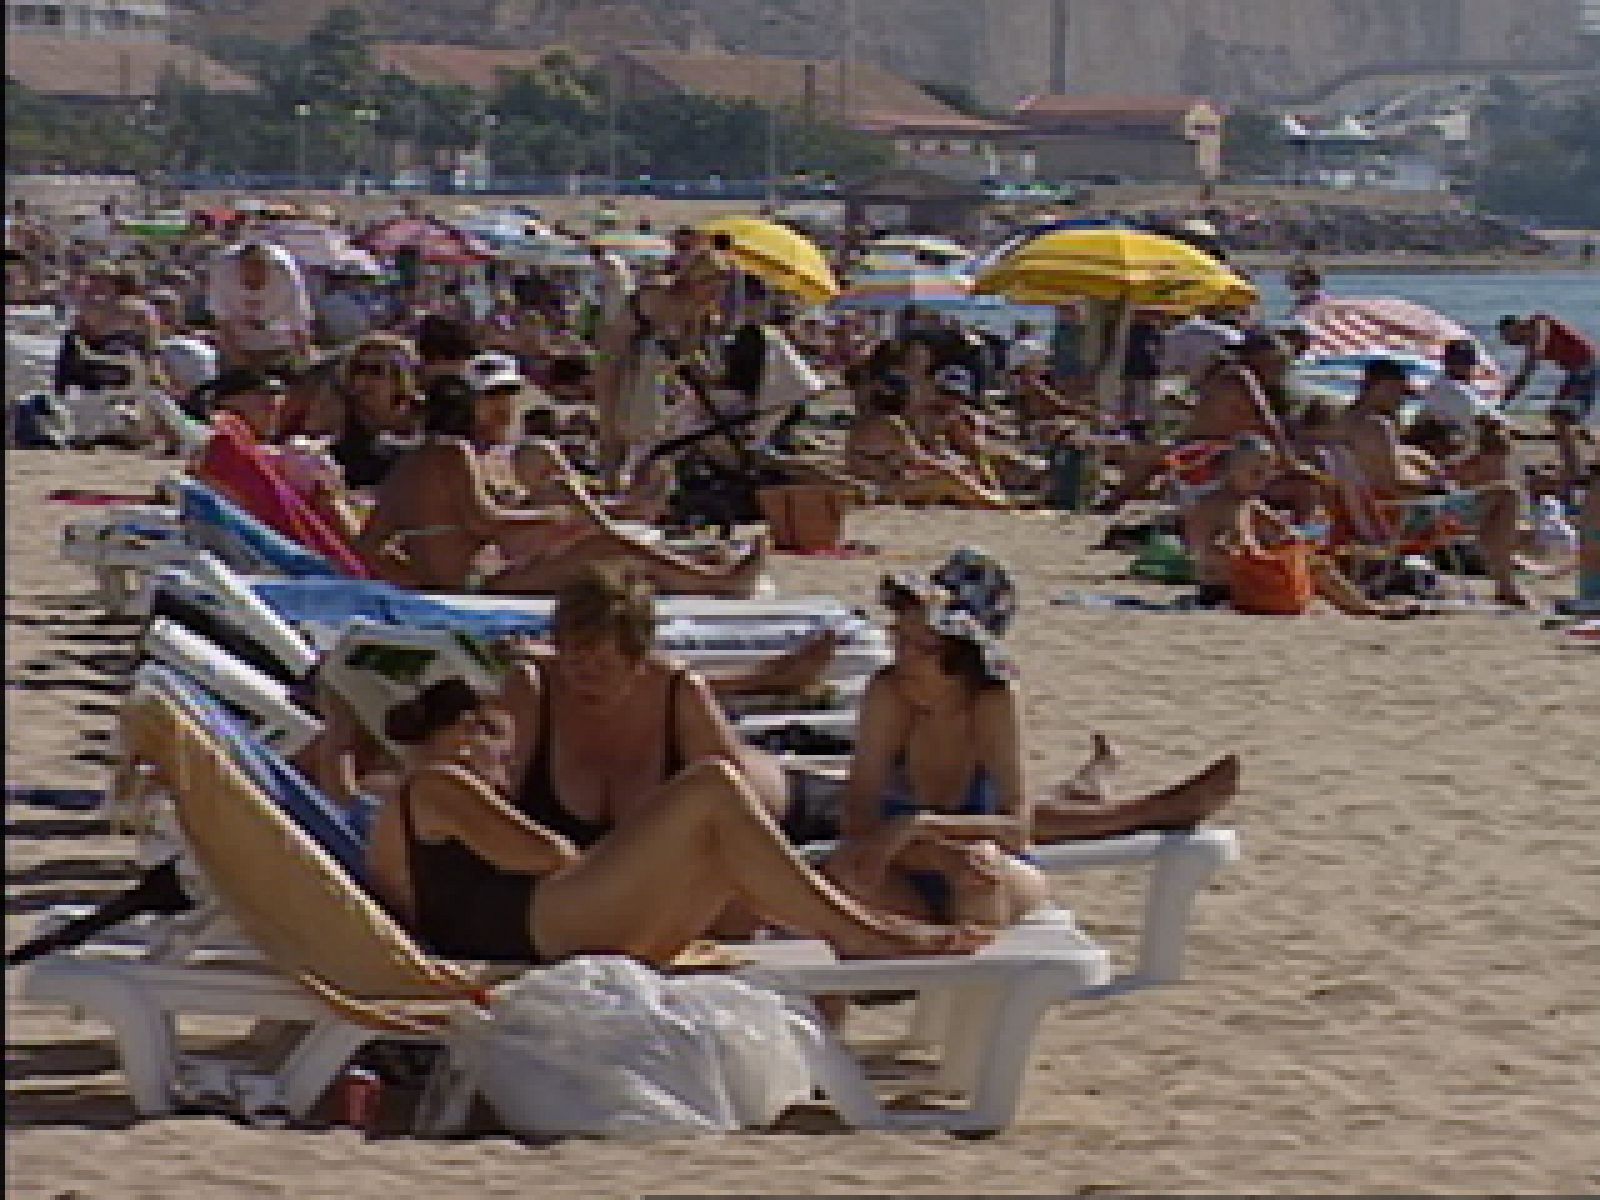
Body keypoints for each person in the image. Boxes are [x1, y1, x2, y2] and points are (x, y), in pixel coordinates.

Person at [362, 610, 988, 964]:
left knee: (720, 842)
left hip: (544, 928)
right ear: (449, 732)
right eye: (477, 725)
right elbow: (546, 856)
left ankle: (851, 930)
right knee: (712, 786)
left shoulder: (420, 795)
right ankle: (858, 932)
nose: (489, 739)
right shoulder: (437, 787)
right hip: (536, 931)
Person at [824, 550, 1240, 925]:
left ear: (963, 654)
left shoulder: (992, 700)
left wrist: (921, 826)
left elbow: (1016, 830)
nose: (902, 656)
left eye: (922, 647)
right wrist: (930, 849)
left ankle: (976, 996)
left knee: (980, 872)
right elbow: (858, 822)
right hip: (906, 868)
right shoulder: (888, 693)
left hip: (981, 868)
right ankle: (1098, 791)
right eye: (899, 637)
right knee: (842, 878)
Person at [356, 374, 767, 595]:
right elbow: (482, 521)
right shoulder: (452, 452)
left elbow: (368, 545)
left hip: (460, 581)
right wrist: (548, 517)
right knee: (606, 548)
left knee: (599, 551)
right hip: (481, 583)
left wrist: (417, 579)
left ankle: (701, 564)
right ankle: (720, 581)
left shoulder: (402, 469)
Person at [1332, 359, 1532, 608]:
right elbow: (1393, 484)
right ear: (1380, 387)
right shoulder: (1376, 426)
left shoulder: (1343, 422)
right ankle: (1505, 584)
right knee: (1507, 494)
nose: (1402, 400)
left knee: (1483, 487)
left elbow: (1379, 478)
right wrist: (1438, 483)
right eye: (1399, 391)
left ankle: (1496, 570)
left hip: (1367, 517)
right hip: (1400, 519)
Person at [1184, 434, 1420, 617]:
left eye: (1266, 474)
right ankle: (1368, 609)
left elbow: (1287, 533)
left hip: (1247, 578)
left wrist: (1296, 542)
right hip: (1227, 587)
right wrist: (1256, 553)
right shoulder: (1214, 504)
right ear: (1231, 470)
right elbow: (1212, 552)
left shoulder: (1247, 501)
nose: (1262, 480)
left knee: (1315, 561)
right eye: (1256, 473)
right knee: (1313, 565)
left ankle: (1367, 607)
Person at [206, 240, 313, 372]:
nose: (254, 284)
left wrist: (305, 361)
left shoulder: (288, 279)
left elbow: (299, 328)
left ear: (270, 269)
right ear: (240, 268)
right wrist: (243, 366)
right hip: (236, 343)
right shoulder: (222, 273)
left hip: (278, 342)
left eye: (260, 278)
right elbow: (222, 325)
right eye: (249, 280)